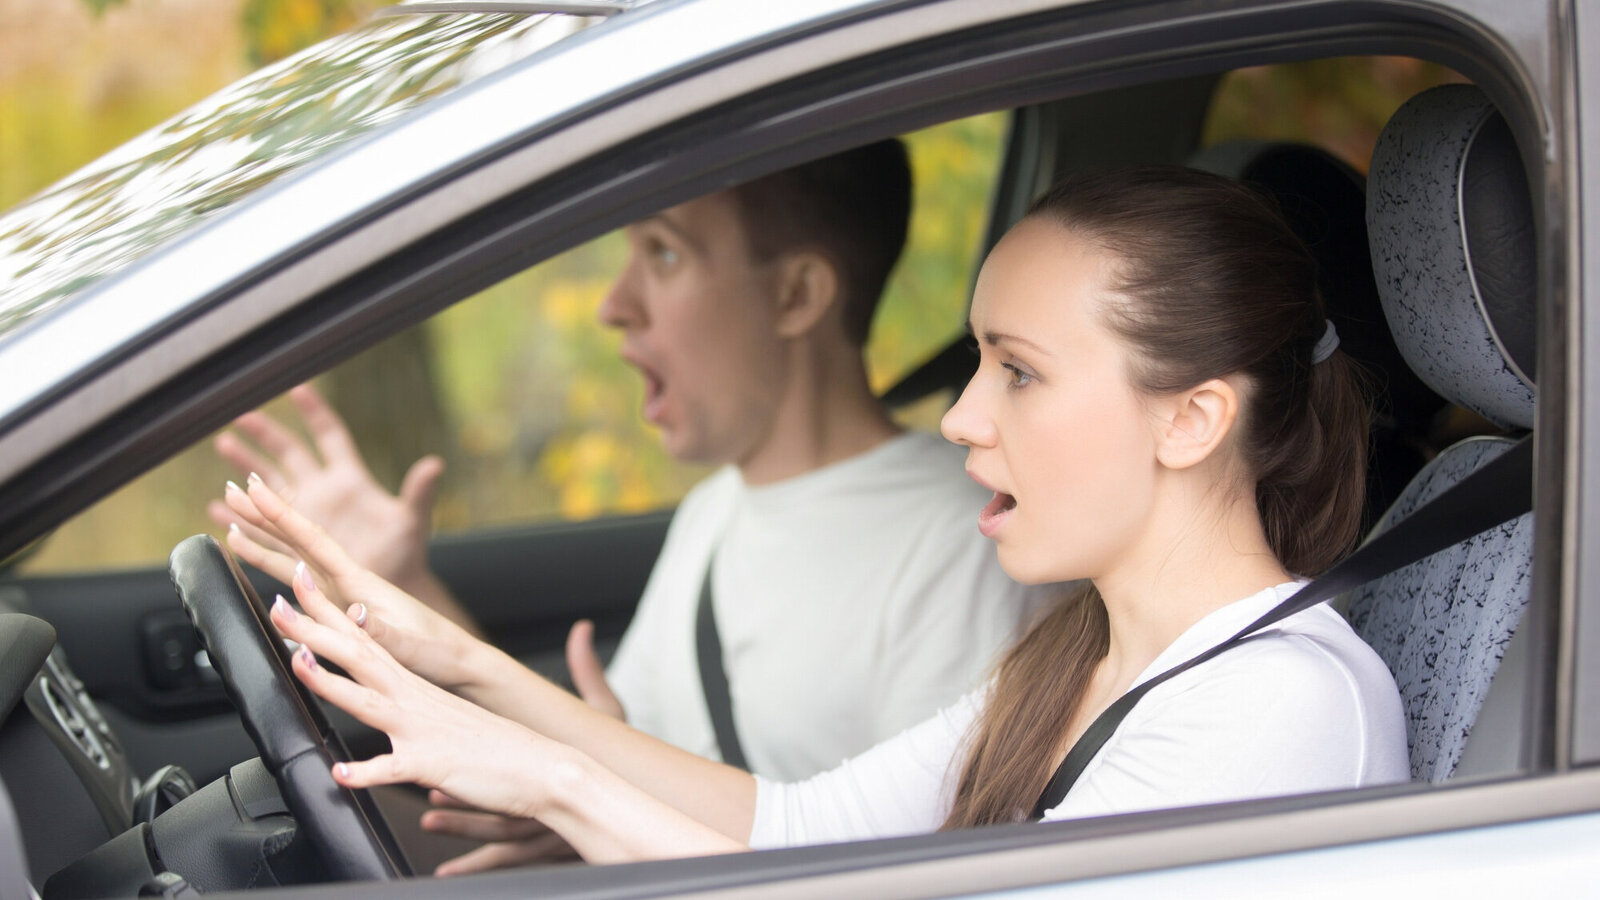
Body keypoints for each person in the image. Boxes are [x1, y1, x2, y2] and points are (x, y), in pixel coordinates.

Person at [221, 165, 1409, 864]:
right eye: (977, 363)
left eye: (1018, 371)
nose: (961, 418)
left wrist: (553, 784)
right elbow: (790, 829)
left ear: (1190, 420)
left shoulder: (1275, 708)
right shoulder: (1078, 659)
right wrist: (454, 659)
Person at [211, 140, 1050, 783]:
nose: (615, 305)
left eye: (665, 253)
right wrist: (401, 585)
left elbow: (926, 864)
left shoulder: (965, 551)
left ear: (795, 295)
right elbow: (611, 764)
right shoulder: (715, 512)